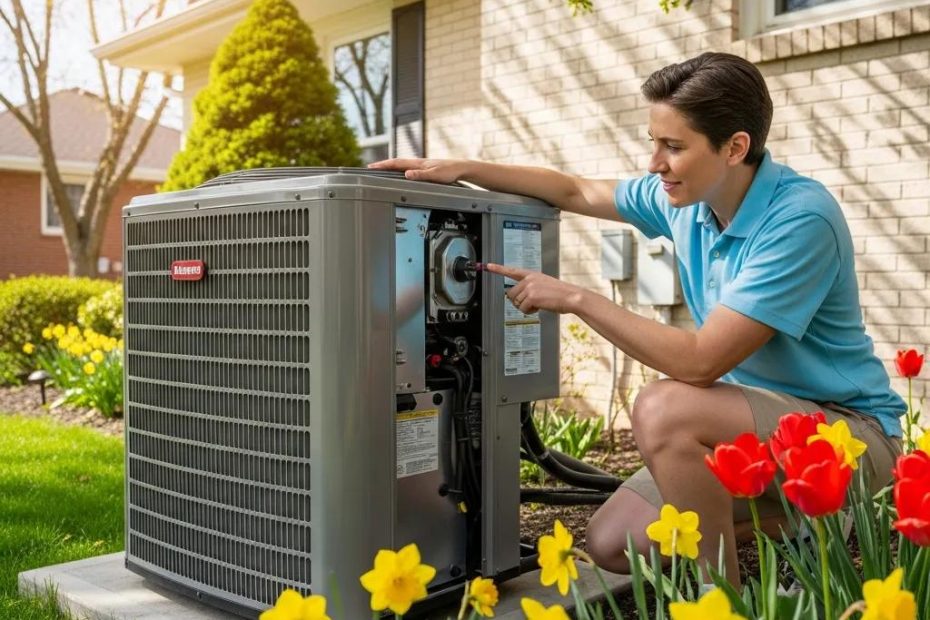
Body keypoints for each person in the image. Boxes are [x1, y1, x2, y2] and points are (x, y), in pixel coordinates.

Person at [369, 52, 906, 584]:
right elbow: (574, 190)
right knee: (613, 543)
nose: (655, 163)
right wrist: (464, 169)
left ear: (735, 147)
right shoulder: (689, 202)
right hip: (757, 430)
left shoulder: (798, 220)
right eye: (653, 142)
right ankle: (804, 518)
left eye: (673, 146)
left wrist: (577, 298)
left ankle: (721, 594)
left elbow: (701, 364)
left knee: (665, 409)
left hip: (847, 440)